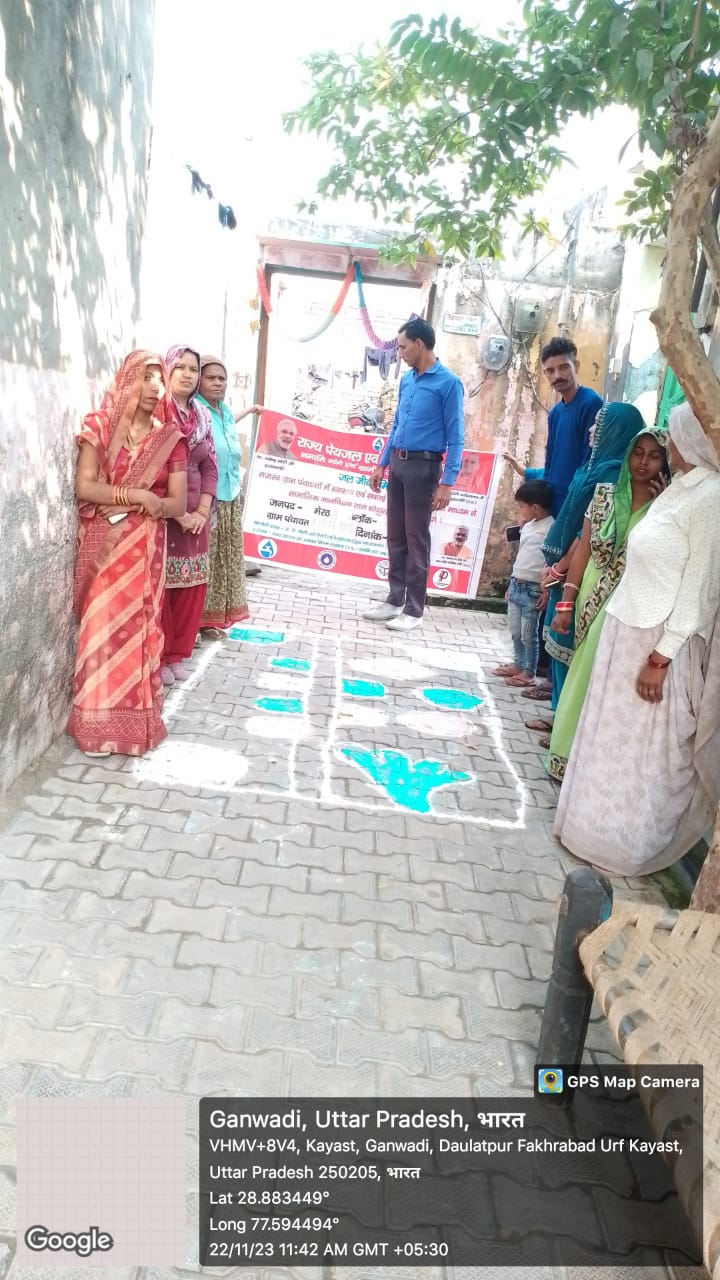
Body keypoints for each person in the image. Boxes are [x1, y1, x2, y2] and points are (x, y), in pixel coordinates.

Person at [554, 403, 720, 876]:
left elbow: (701, 589)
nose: (667, 443)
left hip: (657, 643)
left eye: (674, 435)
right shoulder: (680, 489)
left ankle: (626, 845)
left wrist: (662, 657)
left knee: (645, 753)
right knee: (610, 745)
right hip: (626, 632)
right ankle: (589, 830)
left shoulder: (711, 496)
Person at [67, 350, 187, 757]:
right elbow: (86, 487)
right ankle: (95, 725)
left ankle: (133, 725)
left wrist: (138, 503)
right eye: (146, 378)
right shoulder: (99, 426)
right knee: (101, 629)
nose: (155, 388)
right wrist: (136, 496)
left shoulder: (170, 440)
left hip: (145, 552)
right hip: (106, 550)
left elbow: (177, 503)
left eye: (160, 380)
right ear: (125, 381)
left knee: (138, 632)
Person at [546, 428, 669, 779]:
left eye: (654, 455)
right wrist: (566, 603)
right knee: (581, 675)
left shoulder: (665, 506)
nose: (643, 462)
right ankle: (564, 756)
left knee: (605, 682)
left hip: (630, 607)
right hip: (590, 597)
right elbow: (583, 550)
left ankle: (590, 767)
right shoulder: (603, 495)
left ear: (665, 462)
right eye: (638, 452)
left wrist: (665, 504)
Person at [540, 402, 647, 720]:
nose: (590, 430)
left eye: (598, 424)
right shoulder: (592, 466)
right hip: (564, 567)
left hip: (581, 571)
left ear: (615, 431)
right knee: (559, 642)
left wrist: (560, 568)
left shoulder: (613, 474)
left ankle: (565, 721)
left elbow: (588, 532)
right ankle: (558, 715)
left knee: (571, 645)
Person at [363, 318, 464, 632]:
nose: (400, 353)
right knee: (395, 536)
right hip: (398, 463)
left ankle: (414, 610)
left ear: (420, 344)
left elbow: (456, 437)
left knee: (416, 539)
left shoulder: (448, 384)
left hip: (424, 468)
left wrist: (447, 483)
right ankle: (394, 600)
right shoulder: (407, 381)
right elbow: (395, 425)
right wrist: (381, 463)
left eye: (403, 347)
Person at [160, 346, 218, 686]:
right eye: (179, 367)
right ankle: (159, 654)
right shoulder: (159, 412)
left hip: (197, 517)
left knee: (191, 586)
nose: (187, 374)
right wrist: (179, 513)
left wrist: (202, 511)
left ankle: (177, 654)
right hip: (165, 514)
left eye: (193, 369)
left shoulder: (201, 416)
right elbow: (151, 466)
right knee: (163, 589)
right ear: (167, 370)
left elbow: (210, 464)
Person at [195, 355, 263, 631]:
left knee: (224, 562)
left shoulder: (222, 411)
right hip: (206, 499)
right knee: (204, 561)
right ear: (199, 381)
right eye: (210, 378)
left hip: (230, 496)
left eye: (221, 378)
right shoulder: (195, 411)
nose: (217, 383)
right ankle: (193, 623)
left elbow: (228, 425)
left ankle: (210, 620)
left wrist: (249, 410)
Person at [503, 337, 601, 515]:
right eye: (550, 370)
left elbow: (589, 461)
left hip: (576, 502)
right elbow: (550, 461)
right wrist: (543, 502)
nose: (557, 375)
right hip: (553, 501)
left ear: (576, 366)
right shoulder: (555, 412)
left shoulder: (591, 403)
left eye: (564, 367)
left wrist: (576, 505)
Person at [492, 479, 554, 687]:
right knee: (515, 631)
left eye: (521, 506)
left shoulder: (551, 528)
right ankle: (518, 664)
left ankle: (529, 673)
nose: (520, 510)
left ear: (535, 507)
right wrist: (511, 583)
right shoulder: (528, 526)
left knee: (529, 634)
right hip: (517, 585)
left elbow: (550, 562)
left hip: (533, 590)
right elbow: (522, 556)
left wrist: (546, 591)